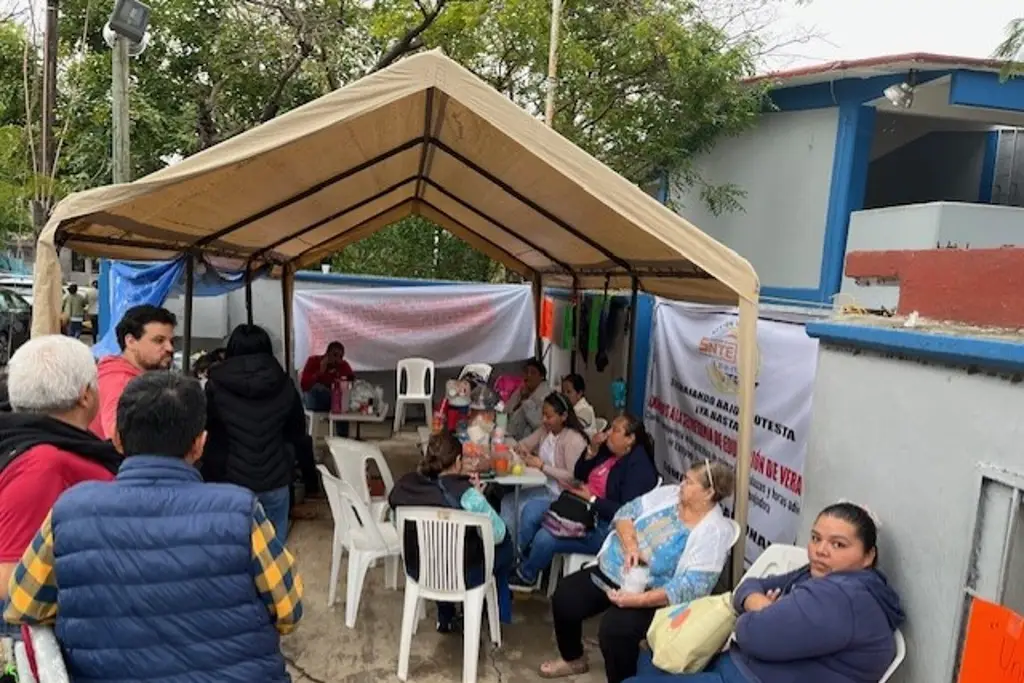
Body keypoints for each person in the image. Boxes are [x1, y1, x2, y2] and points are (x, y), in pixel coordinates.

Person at [4, 371, 303, 682]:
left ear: (117, 439)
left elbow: (23, 606)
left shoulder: (70, 510)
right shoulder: (240, 510)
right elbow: (288, 610)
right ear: (200, 444)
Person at [628, 502, 905, 683]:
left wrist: (753, 613)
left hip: (750, 676)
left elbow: (751, 636)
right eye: (816, 538)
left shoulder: (842, 597)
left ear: (868, 556)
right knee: (652, 656)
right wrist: (763, 606)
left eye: (838, 544)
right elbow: (749, 586)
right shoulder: (819, 574)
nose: (821, 550)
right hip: (745, 668)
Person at [542, 460, 736, 683]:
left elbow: (691, 587)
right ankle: (573, 658)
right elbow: (626, 512)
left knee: (615, 631)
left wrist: (637, 600)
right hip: (613, 569)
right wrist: (631, 544)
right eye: (683, 478)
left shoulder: (714, 532)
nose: (681, 484)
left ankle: (625, 681)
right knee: (565, 597)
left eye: (689, 482)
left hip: (652, 593)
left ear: (709, 492)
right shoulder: (670, 495)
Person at [0, 336, 121, 641]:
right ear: (86, 395)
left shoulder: (30, 444)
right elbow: (8, 579)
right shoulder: (44, 463)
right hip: (43, 638)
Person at [513, 414, 659, 590]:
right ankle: (523, 560)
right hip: (578, 505)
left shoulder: (639, 469)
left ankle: (526, 575)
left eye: (615, 430)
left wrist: (592, 499)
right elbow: (579, 474)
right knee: (531, 510)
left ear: (630, 439)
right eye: (609, 428)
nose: (608, 433)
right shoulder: (609, 451)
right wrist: (592, 449)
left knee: (545, 538)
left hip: (603, 526)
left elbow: (624, 512)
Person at [389, 432, 514, 632]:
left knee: (438, 546)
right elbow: (497, 534)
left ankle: (445, 616)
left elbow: (394, 520)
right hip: (463, 574)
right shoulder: (467, 495)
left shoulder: (407, 485)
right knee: (506, 546)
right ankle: (495, 615)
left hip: (419, 569)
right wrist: (480, 498)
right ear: (457, 461)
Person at [203, 325, 314, 541]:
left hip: (229, 483)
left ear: (231, 350)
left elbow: (206, 432)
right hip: (275, 480)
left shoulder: (215, 385)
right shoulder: (285, 384)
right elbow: (298, 434)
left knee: (230, 552)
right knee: (274, 556)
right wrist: (307, 478)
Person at [502, 392, 589, 553]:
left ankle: (515, 553)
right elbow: (526, 444)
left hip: (564, 495)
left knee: (518, 506)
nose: (544, 420)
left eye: (549, 416)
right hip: (546, 486)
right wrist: (518, 449)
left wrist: (542, 466)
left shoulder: (573, 439)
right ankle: (511, 550)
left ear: (563, 416)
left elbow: (574, 477)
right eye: (543, 415)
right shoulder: (546, 431)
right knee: (508, 502)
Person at [89, 304, 176, 440]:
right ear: (130, 341)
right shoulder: (121, 382)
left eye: (171, 341)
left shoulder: (127, 377)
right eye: (159, 341)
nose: (169, 348)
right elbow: (117, 437)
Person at [300, 341, 355, 411]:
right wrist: (320, 372)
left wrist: (340, 379)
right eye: (335, 355)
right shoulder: (313, 361)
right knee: (317, 389)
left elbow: (352, 381)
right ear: (327, 354)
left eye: (340, 357)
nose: (337, 359)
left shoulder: (343, 365)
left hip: (336, 399)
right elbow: (304, 385)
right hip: (315, 399)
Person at [506, 358, 550, 440]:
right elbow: (507, 411)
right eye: (526, 372)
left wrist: (526, 402)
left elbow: (538, 423)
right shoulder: (521, 390)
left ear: (541, 377)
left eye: (533, 373)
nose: (528, 375)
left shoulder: (546, 396)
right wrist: (521, 399)